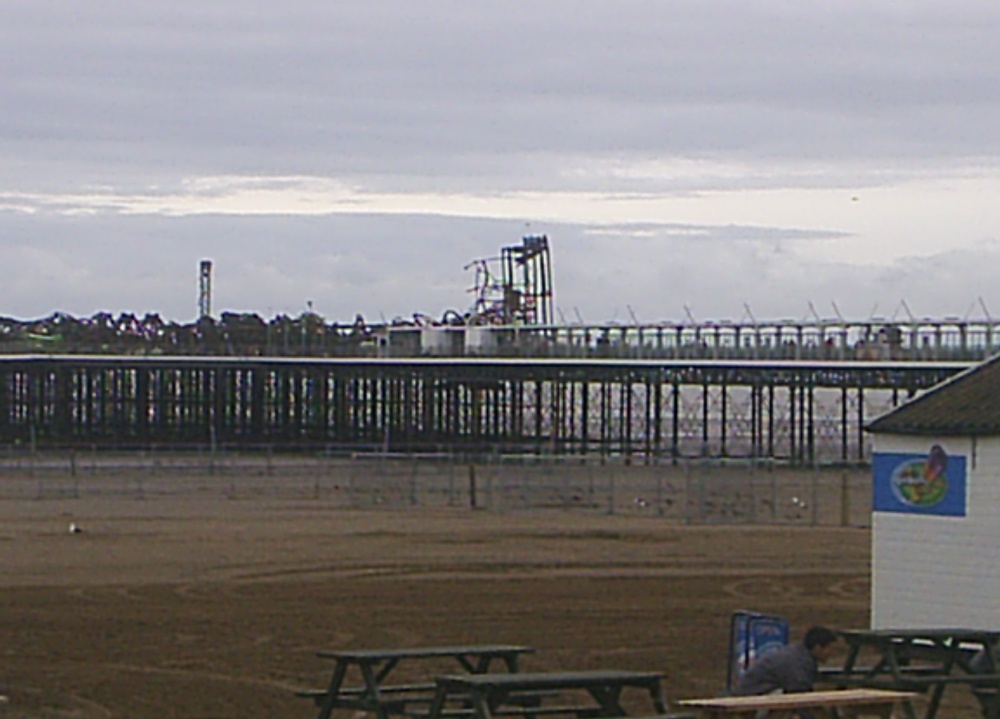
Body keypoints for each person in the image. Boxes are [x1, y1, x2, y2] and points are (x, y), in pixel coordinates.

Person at [734, 625, 839, 697]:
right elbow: (802, 698)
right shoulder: (798, 663)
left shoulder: (799, 654)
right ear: (818, 647)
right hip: (751, 696)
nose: (832, 653)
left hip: (753, 691)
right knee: (787, 704)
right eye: (830, 648)